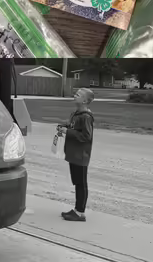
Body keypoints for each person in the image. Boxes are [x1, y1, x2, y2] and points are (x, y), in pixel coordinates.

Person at [58, 88, 95, 222]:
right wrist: (65, 126)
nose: (75, 95)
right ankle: (76, 209)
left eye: (78, 95)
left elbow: (86, 136)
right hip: (74, 153)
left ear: (85, 100)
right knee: (77, 182)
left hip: (81, 155)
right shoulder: (76, 114)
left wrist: (68, 132)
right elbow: (73, 126)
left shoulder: (86, 116)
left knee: (81, 183)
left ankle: (80, 212)